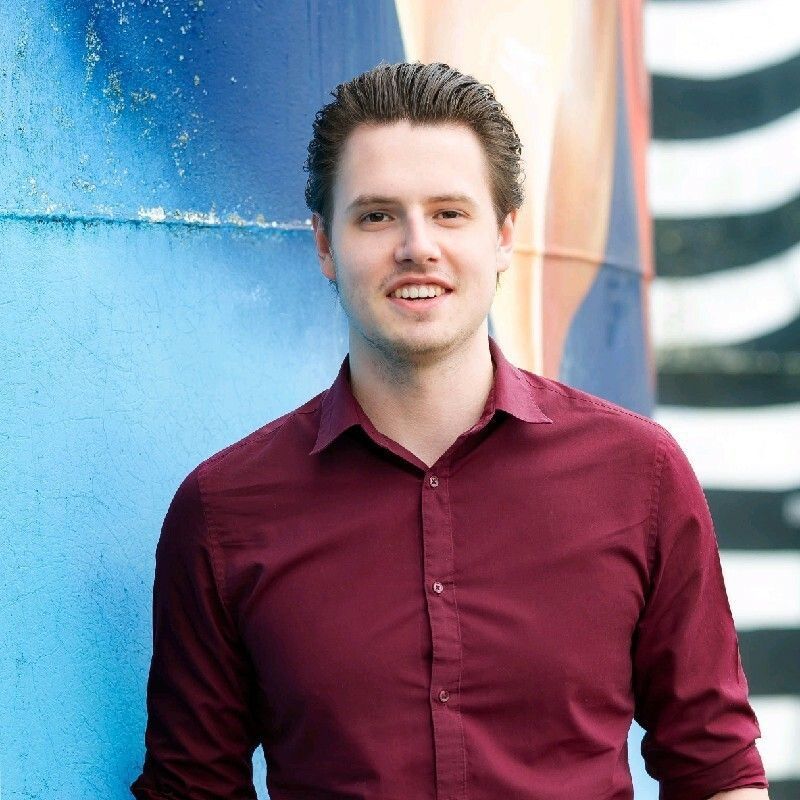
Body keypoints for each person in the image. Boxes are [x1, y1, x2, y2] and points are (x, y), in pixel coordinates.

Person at [131, 62, 769, 800]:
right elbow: (193, 787)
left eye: (449, 213)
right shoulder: (223, 512)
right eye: (375, 215)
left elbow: (715, 768)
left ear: (502, 237)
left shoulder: (639, 474)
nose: (416, 246)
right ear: (324, 245)